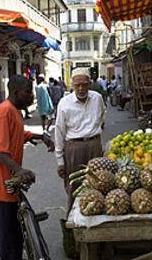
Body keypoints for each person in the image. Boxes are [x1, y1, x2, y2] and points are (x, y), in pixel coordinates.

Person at [0, 75, 55, 260]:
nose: (32, 96)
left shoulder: (14, 111)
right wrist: (18, 170)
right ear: (15, 92)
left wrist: (38, 136)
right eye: (28, 92)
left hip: (10, 184)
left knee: (16, 234)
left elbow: (17, 133)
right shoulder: (4, 111)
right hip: (0, 185)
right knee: (8, 240)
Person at [55, 67, 105, 209]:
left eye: (84, 84)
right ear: (72, 85)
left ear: (89, 83)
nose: (81, 88)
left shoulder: (97, 98)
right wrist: (60, 161)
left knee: (99, 183)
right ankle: (73, 223)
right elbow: (59, 131)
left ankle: (95, 217)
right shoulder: (64, 103)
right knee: (75, 187)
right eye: (77, 85)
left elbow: (102, 116)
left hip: (95, 146)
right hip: (74, 149)